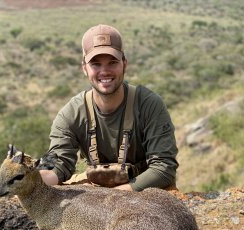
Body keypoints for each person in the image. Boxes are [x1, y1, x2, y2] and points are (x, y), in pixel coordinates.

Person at [39, 24, 178, 192]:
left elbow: (164, 169)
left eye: (112, 62)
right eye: (96, 64)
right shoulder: (70, 115)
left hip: (145, 195)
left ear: (124, 64)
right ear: (84, 68)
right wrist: (32, 179)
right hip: (100, 195)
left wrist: (113, 197)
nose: (105, 71)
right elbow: (59, 166)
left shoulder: (149, 104)